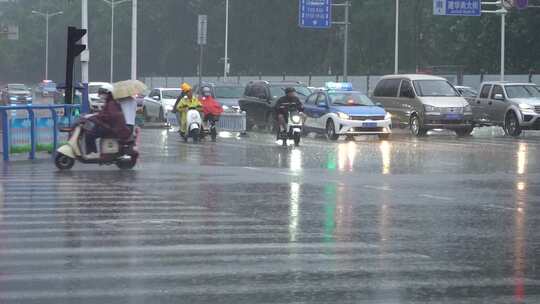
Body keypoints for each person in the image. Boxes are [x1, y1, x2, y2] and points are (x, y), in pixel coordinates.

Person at [85, 84, 131, 158]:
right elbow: (105, 114)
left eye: (102, 93)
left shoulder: (111, 104)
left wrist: (96, 117)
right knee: (91, 131)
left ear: (108, 93)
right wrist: (95, 116)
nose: (101, 95)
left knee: (90, 135)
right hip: (109, 126)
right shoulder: (110, 102)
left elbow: (109, 116)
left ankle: (92, 152)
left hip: (111, 128)